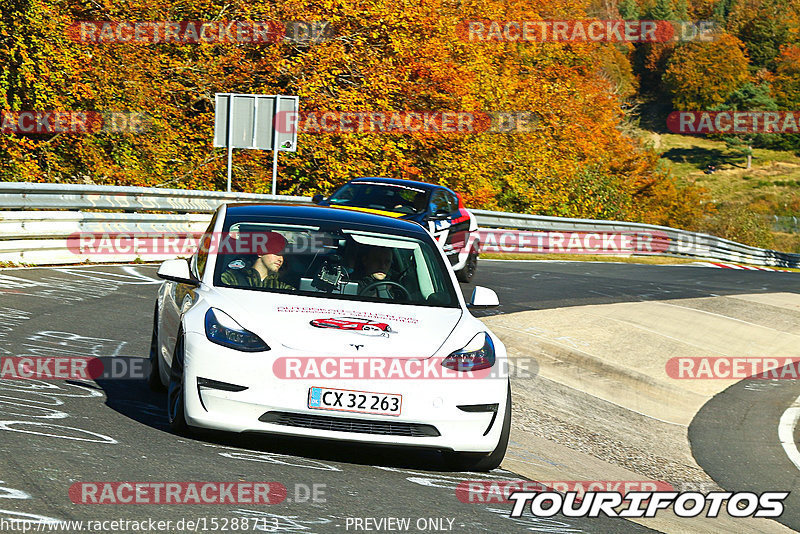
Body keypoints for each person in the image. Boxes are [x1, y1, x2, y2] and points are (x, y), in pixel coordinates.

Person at [220, 231, 295, 290]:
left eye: (283, 255)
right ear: (260, 252)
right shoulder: (231, 278)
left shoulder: (281, 287)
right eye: (277, 253)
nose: (281, 259)